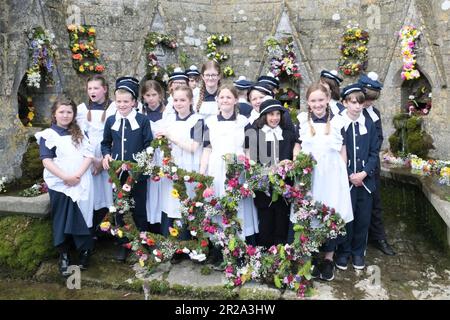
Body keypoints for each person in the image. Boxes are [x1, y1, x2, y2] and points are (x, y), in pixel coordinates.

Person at [295, 83, 353, 281]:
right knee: (309, 213)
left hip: (331, 176)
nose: (317, 104)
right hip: (309, 176)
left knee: (330, 214)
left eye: (321, 100)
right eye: (313, 101)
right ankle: (309, 256)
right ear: (308, 103)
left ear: (328, 99)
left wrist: (342, 178)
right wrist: (297, 168)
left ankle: (328, 258)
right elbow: (297, 147)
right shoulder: (302, 121)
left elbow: (343, 151)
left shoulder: (338, 122)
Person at [200, 85, 259, 267]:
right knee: (218, 208)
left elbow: (250, 149)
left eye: (228, 97)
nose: (225, 100)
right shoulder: (209, 122)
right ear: (217, 100)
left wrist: (251, 170)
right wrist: (202, 174)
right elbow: (207, 149)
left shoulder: (244, 122)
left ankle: (240, 250)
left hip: (237, 170)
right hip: (217, 170)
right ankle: (219, 249)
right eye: (221, 97)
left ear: (235, 100)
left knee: (238, 208)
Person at [36, 96, 94, 276]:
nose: (65, 115)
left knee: (83, 214)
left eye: (69, 112)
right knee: (62, 217)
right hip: (59, 183)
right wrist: (66, 177)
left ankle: (85, 250)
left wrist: (77, 175)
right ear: (54, 114)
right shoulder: (48, 135)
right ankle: (64, 255)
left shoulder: (80, 133)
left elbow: (88, 155)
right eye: (61, 111)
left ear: (74, 114)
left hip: (81, 180)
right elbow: (47, 161)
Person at [101, 76, 153, 261]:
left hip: (138, 173)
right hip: (118, 174)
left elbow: (149, 145)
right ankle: (123, 245)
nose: (122, 105)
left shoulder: (143, 120)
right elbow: (106, 143)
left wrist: (138, 164)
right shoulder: (110, 120)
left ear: (134, 102)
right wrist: (106, 155)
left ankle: (142, 242)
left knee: (139, 208)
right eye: (119, 101)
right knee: (121, 208)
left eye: (126, 101)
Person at [335, 84, 379, 271]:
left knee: (363, 218)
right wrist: (348, 176)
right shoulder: (337, 124)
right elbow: (334, 153)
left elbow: (374, 151)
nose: (357, 106)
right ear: (344, 103)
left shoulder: (368, 122)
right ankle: (344, 251)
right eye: (353, 102)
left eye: (360, 103)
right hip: (344, 182)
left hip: (365, 181)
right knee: (346, 218)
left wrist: (364, 173)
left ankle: (358, 252)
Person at [157, 85, 204, 262]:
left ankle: (191, 246)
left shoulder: (199, 121)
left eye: (182, 100)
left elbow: (193, 146)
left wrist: (170, 137)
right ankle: (175, 247)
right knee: (172, 206)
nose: (179, 103)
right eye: (175, 100)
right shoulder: (168, 121)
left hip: (189, 168)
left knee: (188, 204)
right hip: (172, 168)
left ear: (190, 101)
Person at [249, 99, 300, 248]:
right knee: (265, 221)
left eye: (278, 114)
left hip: (284, 187)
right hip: (263, 187)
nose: (275, 118)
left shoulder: (288, 134)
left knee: (282, 220)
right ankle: (264, 252)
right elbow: (253, 162)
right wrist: (273, 168)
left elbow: (293, 156)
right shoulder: (255, 135)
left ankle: (280, 252)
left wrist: (290, 164)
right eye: (271, 114)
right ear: (264, 116)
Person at [358, 72, 395, 256]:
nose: (369, 103)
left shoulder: (375, 113)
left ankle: (378, 237)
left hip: (372, 164)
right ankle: (356, 241)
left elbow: (379, 138)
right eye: (367, 99)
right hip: (354, 166)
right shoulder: (350, 110)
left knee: (375, 202)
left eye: (372, 100)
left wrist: (371, 161)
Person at [76, 75, 113, 241]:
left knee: (107, 193)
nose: (92, 91)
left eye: (96, 88)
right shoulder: (82, 109)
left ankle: (108, 230)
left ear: (104, 89)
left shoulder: (114, 108)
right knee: (91, 193)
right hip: (88, 157)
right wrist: (92, 159)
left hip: (107, 156)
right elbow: (79, 135)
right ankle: (92, 231)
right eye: (90, 88)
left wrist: (103, 159)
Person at [141, 80, 166, 234]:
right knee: (150, 190)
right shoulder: (141, 114)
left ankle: (164, 224)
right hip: (149, 155)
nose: (151, 98)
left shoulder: (167, 112)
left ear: (160, 95)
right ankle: (151, 225)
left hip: (163, 154)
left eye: (154, 95)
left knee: (163, 188)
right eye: (147, 95)